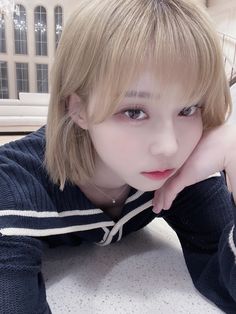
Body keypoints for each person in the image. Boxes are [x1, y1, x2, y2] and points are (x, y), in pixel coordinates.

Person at [0, 0, 235, 313]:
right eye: (134, 111)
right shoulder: (14, 187)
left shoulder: (186, 171)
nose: (168, 147)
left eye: (188, 108)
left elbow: (225, 278)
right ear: (78, 107)